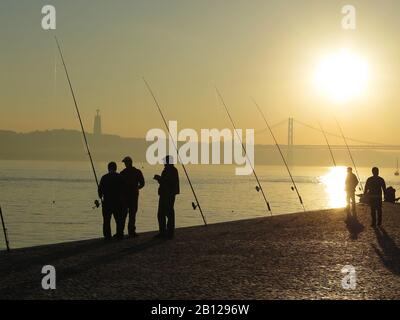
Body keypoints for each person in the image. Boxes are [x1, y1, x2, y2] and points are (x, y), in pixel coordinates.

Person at [153, 155, 180, 239]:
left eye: (165, 161)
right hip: (165, 194)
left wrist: (159, 179)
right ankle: (164, 232)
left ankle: (168, 232)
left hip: (168, 195)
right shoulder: (168, 170)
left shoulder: (172, 171)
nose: (164, 162)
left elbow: (168, 182)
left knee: (168, 213)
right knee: (161, 214)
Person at [120, 156, 145, 238]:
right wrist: (137, 188)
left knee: (126, 214)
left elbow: (142, 183)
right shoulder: (137, 172)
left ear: (128, 163)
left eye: (125, 163)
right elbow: (142, 184)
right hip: (132, 196)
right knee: (131, 215)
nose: (125, 164)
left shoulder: (123, 173)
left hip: (127, 197)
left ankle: (121, 232)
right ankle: (131, 232)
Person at [98, 162, 124, 240]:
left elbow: (100, 190)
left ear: (108, 168)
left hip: (107, 202)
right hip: (118, 202)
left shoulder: (104, 177)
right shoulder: (120, 177)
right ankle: (119, 235)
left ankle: (107, 236)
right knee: (118, 220)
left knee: (106, 220)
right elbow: (124, 189)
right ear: (115, 168)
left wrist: (100, 197)